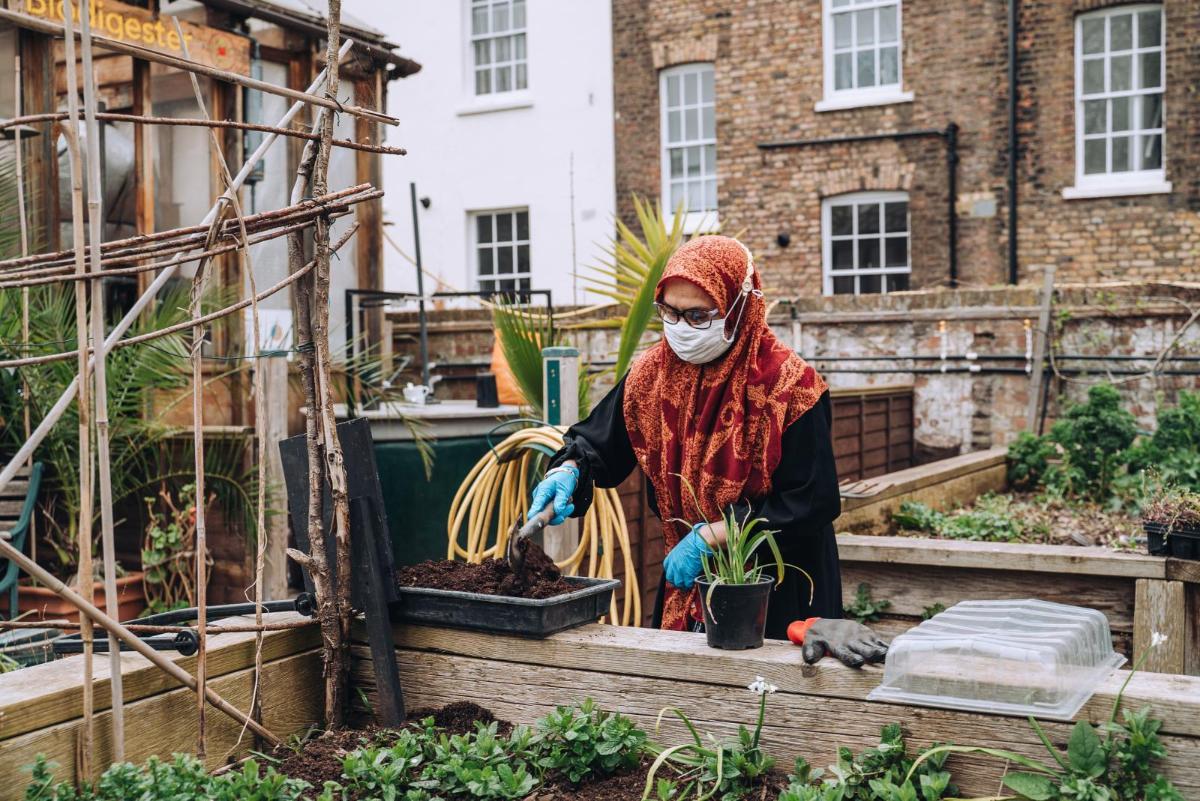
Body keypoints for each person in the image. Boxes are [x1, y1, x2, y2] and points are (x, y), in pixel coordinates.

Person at [528, 235, 887, 668]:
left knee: (769, 707)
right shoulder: (650, 375)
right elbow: (599, 443)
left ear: (738, 306)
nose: (681, 327)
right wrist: (567, 469)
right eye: (670, 312)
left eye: (699, 315)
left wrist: (713, 535)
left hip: (778, 578)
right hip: (689, 575)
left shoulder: (790, 387)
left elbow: (810, 501)